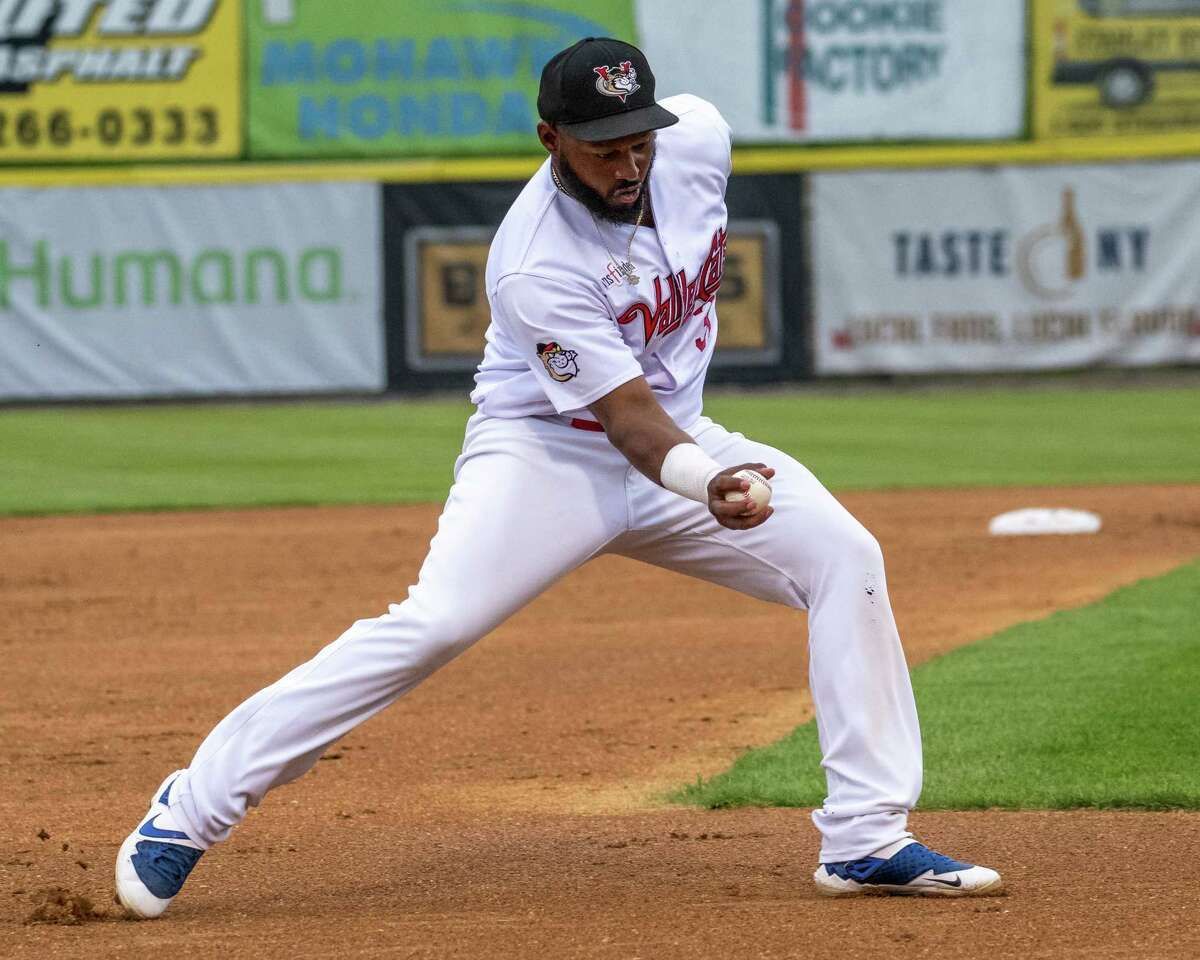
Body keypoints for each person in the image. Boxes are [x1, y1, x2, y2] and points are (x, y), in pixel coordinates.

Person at [114, 37, 1001, 919]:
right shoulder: (534, 259)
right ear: (550, 138)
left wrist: (700, 469)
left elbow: (662, 414)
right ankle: (190, 810)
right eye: (603, 146)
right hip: (548, 454)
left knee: (846, 557)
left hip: (681, 438)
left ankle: (865, 839)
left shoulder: (697, 140)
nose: (628, 162)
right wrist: (710, 484)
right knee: (433, 625)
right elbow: (628, 423)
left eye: (638, 140)